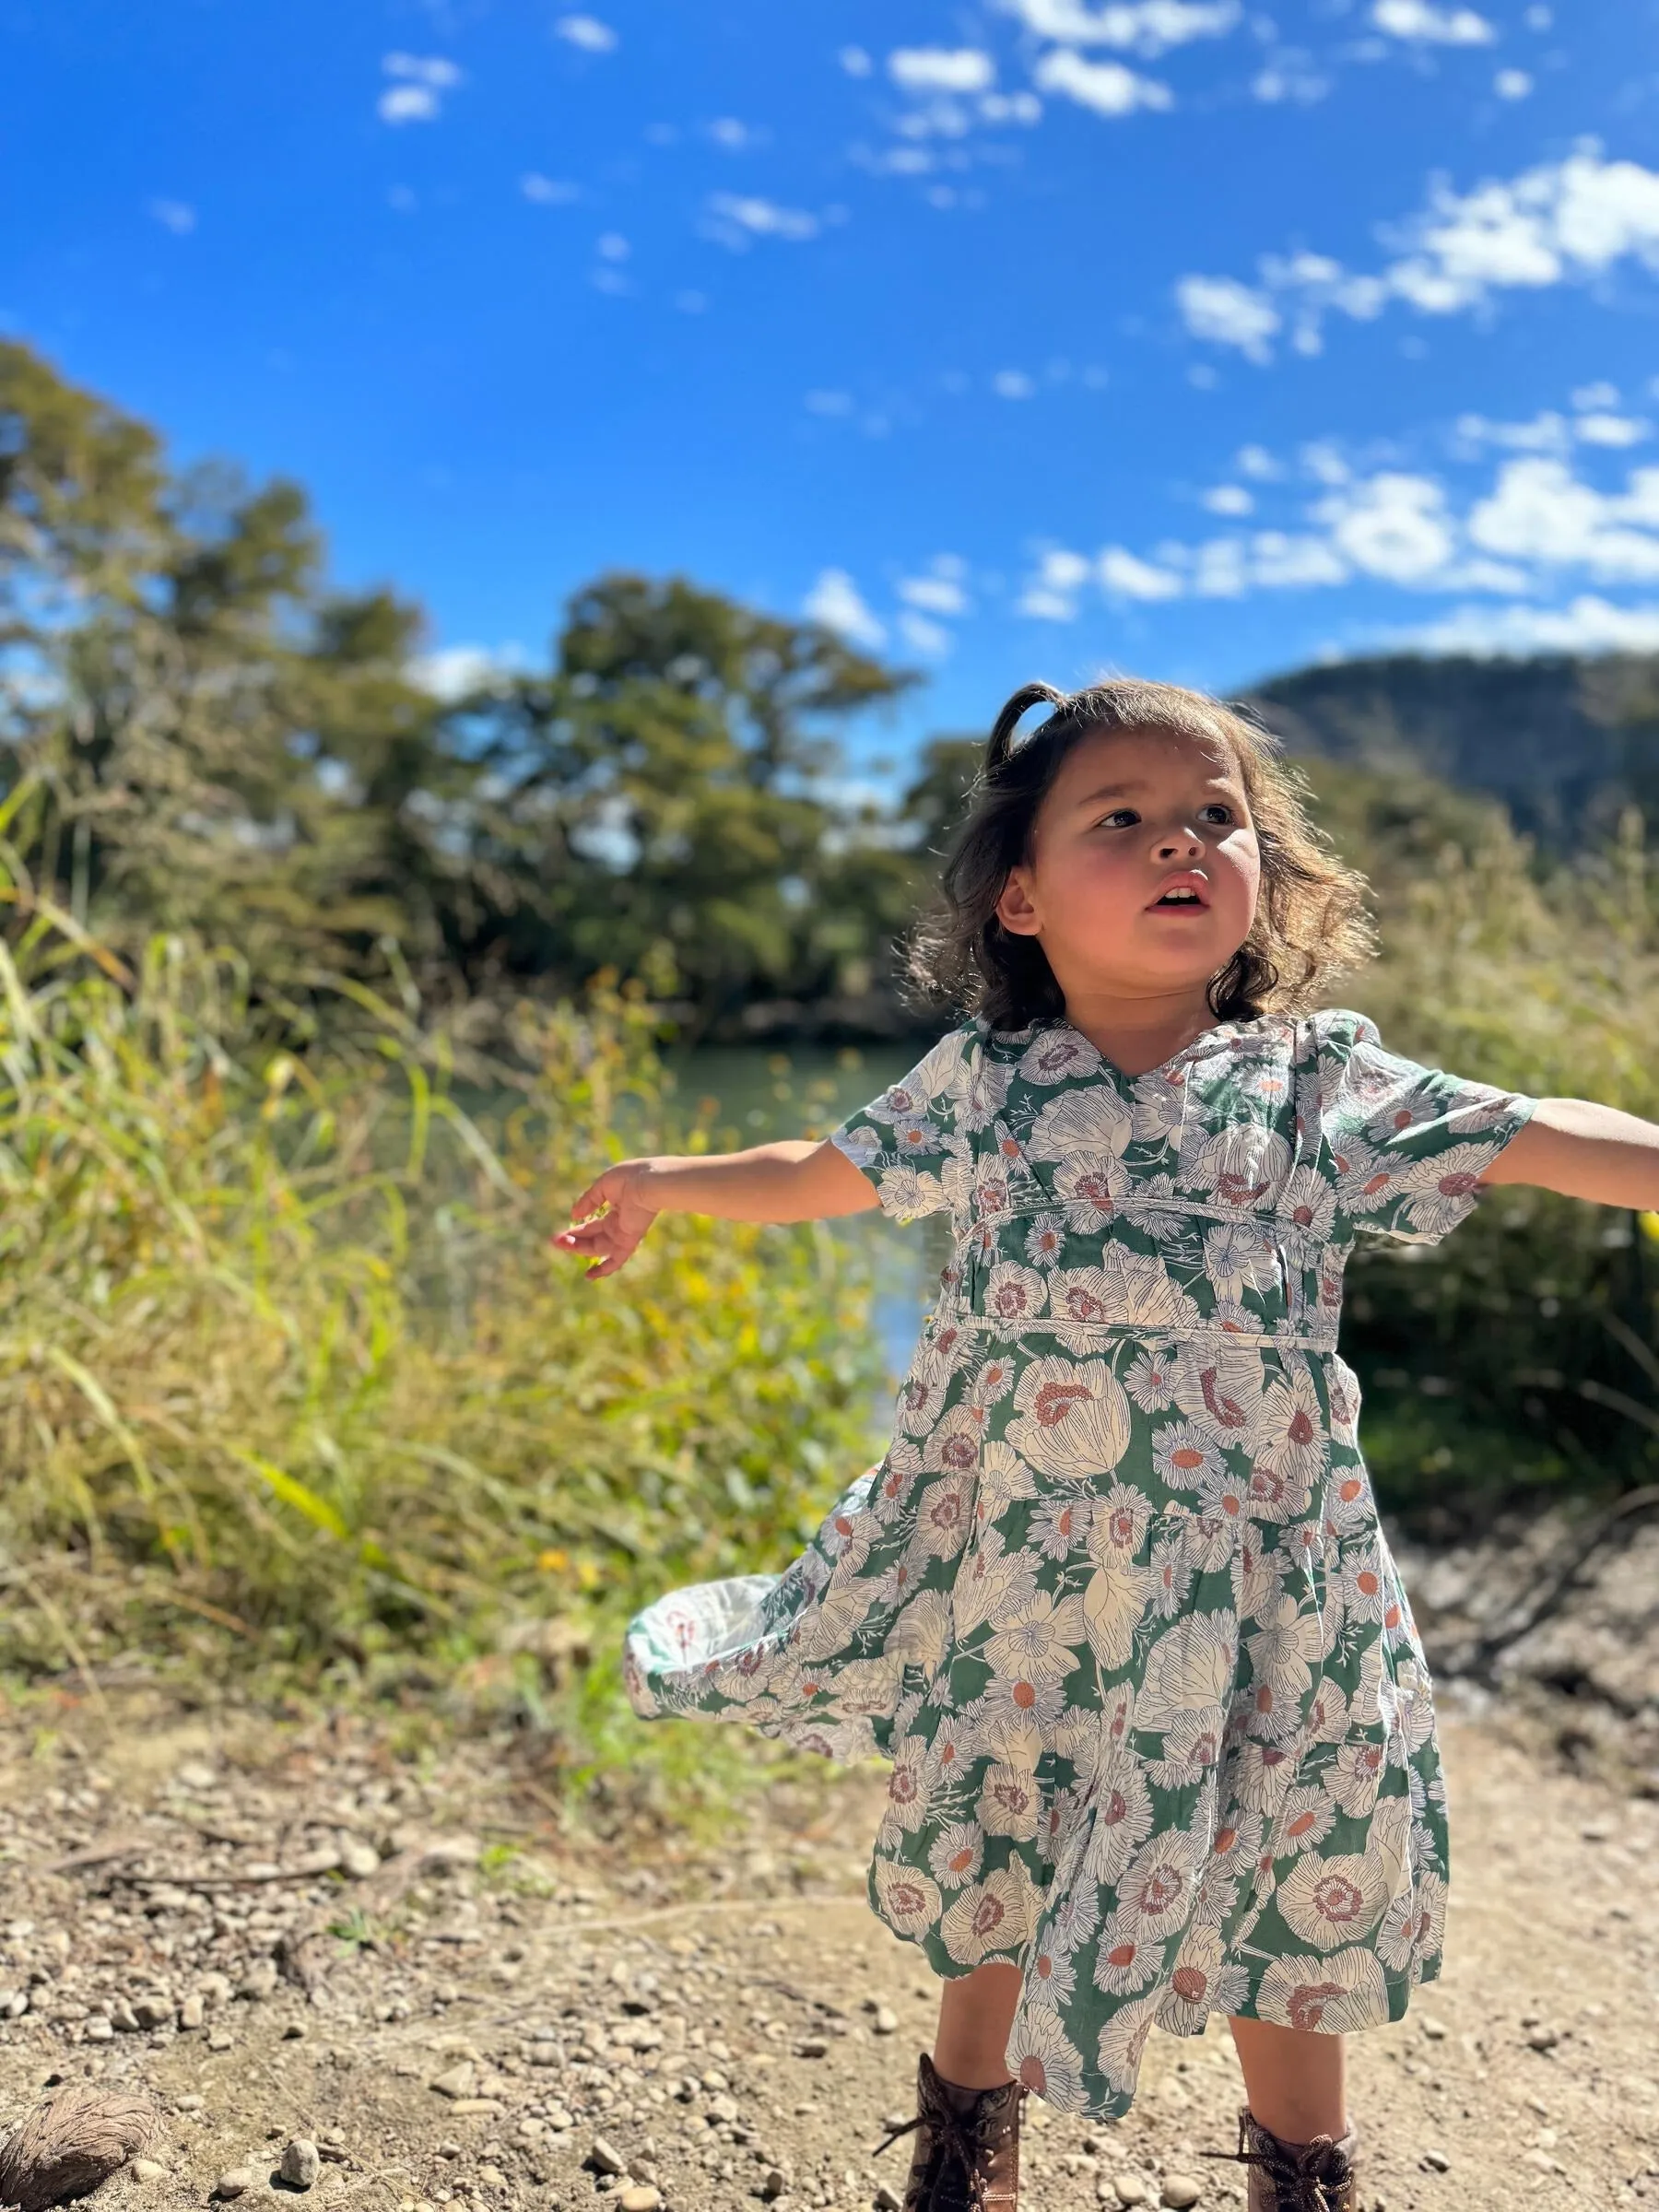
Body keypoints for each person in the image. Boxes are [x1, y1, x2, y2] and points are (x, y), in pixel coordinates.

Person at [556, 677, 1659, 2212]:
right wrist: (669, 1175)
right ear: (1019, 895)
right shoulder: (985, 1090)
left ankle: (1303, 2175)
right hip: (1037, 1574)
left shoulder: (1318, 1086)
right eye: (1122, 819)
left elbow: (1530, 1128)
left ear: (1267, 875)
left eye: (1218, 817)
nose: (1179, 844)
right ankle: (965, 2144)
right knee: (1014, 1834)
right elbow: (821, 1172)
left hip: (1274, 1576)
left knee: (1295, 1838)